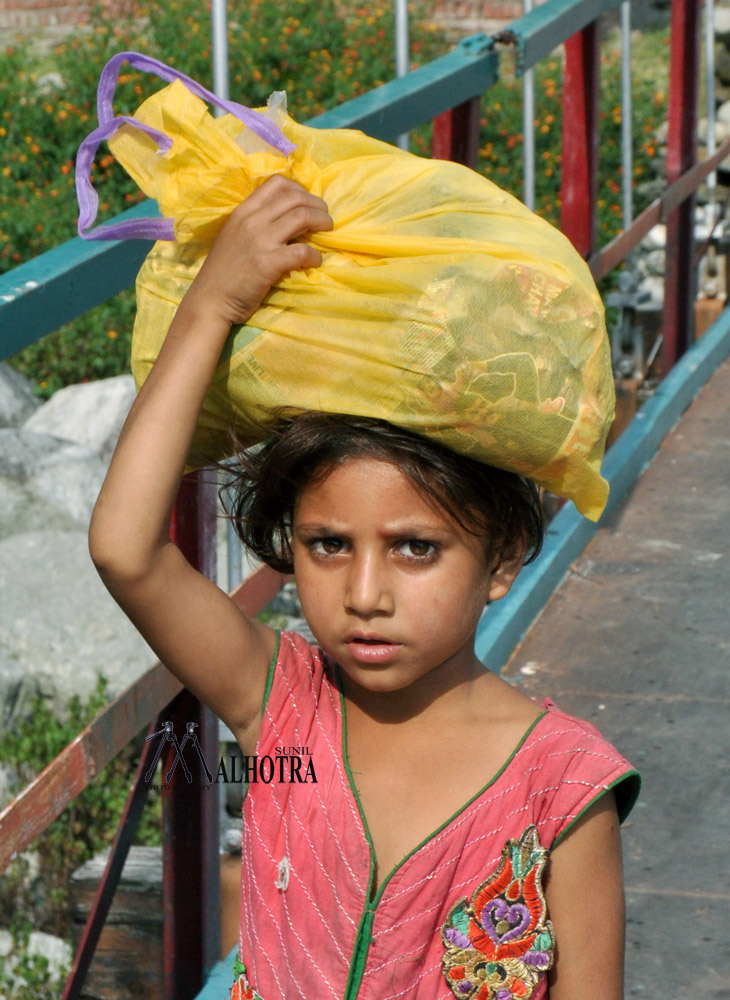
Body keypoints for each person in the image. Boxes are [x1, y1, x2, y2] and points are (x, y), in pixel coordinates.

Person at [88, 174, 639, 1000]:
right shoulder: (281, 703)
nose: (365, 593)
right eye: (328, 545)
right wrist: (209, 309)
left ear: (502, 559)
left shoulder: (563, 787)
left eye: (416, 548)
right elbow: (127, 551)